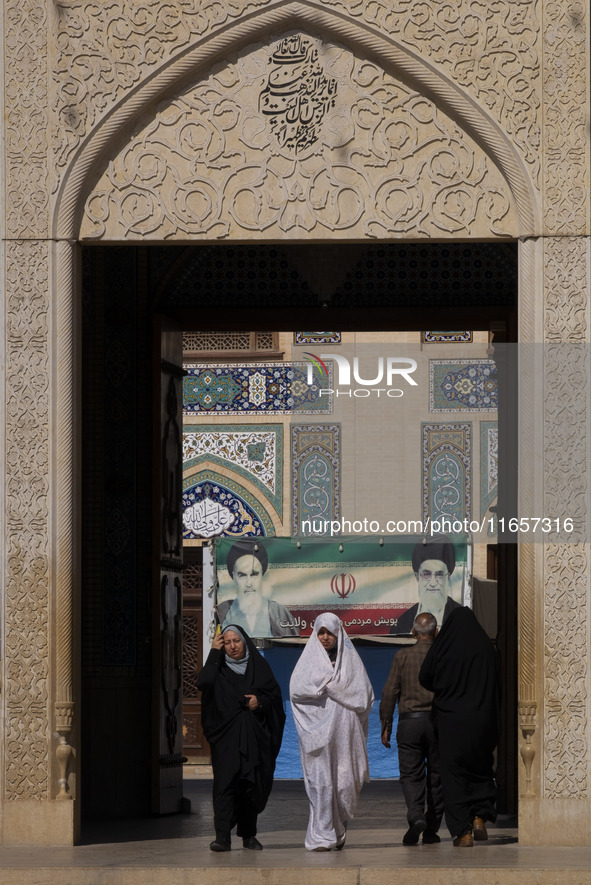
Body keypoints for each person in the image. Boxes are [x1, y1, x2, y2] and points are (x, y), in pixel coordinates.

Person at [197, 623, 286, 852]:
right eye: (227, 642)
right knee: (225, 785)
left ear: (245, 642)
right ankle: (222, 836)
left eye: (236, 641)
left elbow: (275, 700)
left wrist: (260, 702)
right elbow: (203, 683)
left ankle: (248, 835)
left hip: (253, 739)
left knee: (251, 785)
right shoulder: (217, 668)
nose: (233, 646)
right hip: (226, 740)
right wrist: (214, 653)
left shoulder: (259, 667)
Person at [289, 612, 374, 851]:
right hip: (318, 736)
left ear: (338, 633)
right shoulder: (309, 662)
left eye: (330, 633)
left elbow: (364, 695)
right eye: (321, 632)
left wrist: (334, 688)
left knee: (345, 783)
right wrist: (325, 688)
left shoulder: (350, 662)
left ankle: (338, 829)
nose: (325, 638)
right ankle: (321, 835)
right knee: (320, 783)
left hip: (346, 735)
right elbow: (296, 690)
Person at [419, 606, 501, 847]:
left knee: (453, 775)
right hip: (482, 721)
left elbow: (425, 676)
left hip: (451, 722)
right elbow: (498, 684)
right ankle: (479, 817)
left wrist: (447, 689)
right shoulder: (487, 649)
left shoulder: (444, 649)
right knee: (481, 767)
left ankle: (463, 832)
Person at [380, 612, 444, 845]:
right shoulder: (442, 656)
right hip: (437, 723)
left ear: (414, 633)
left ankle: (416, 815)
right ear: (436, 633)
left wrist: (386, 724)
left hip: (409, 723)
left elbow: (389, 692)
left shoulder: (402, 656)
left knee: (410, 775)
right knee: (437, 777)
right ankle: (431, 828)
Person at [218, 540, 299, 637]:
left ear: (262, 575)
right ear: (234, 577)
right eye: (242, 575)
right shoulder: (224, 610)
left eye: (254, 575)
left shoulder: (278, 611)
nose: (249, 583)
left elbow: (292, 647)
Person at [391, 534, 460, 635]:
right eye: (426, 575)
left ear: (447, 577)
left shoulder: (458, 616)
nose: (433, 583)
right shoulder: (404, 622)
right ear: (417, 577)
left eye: (439, 575)